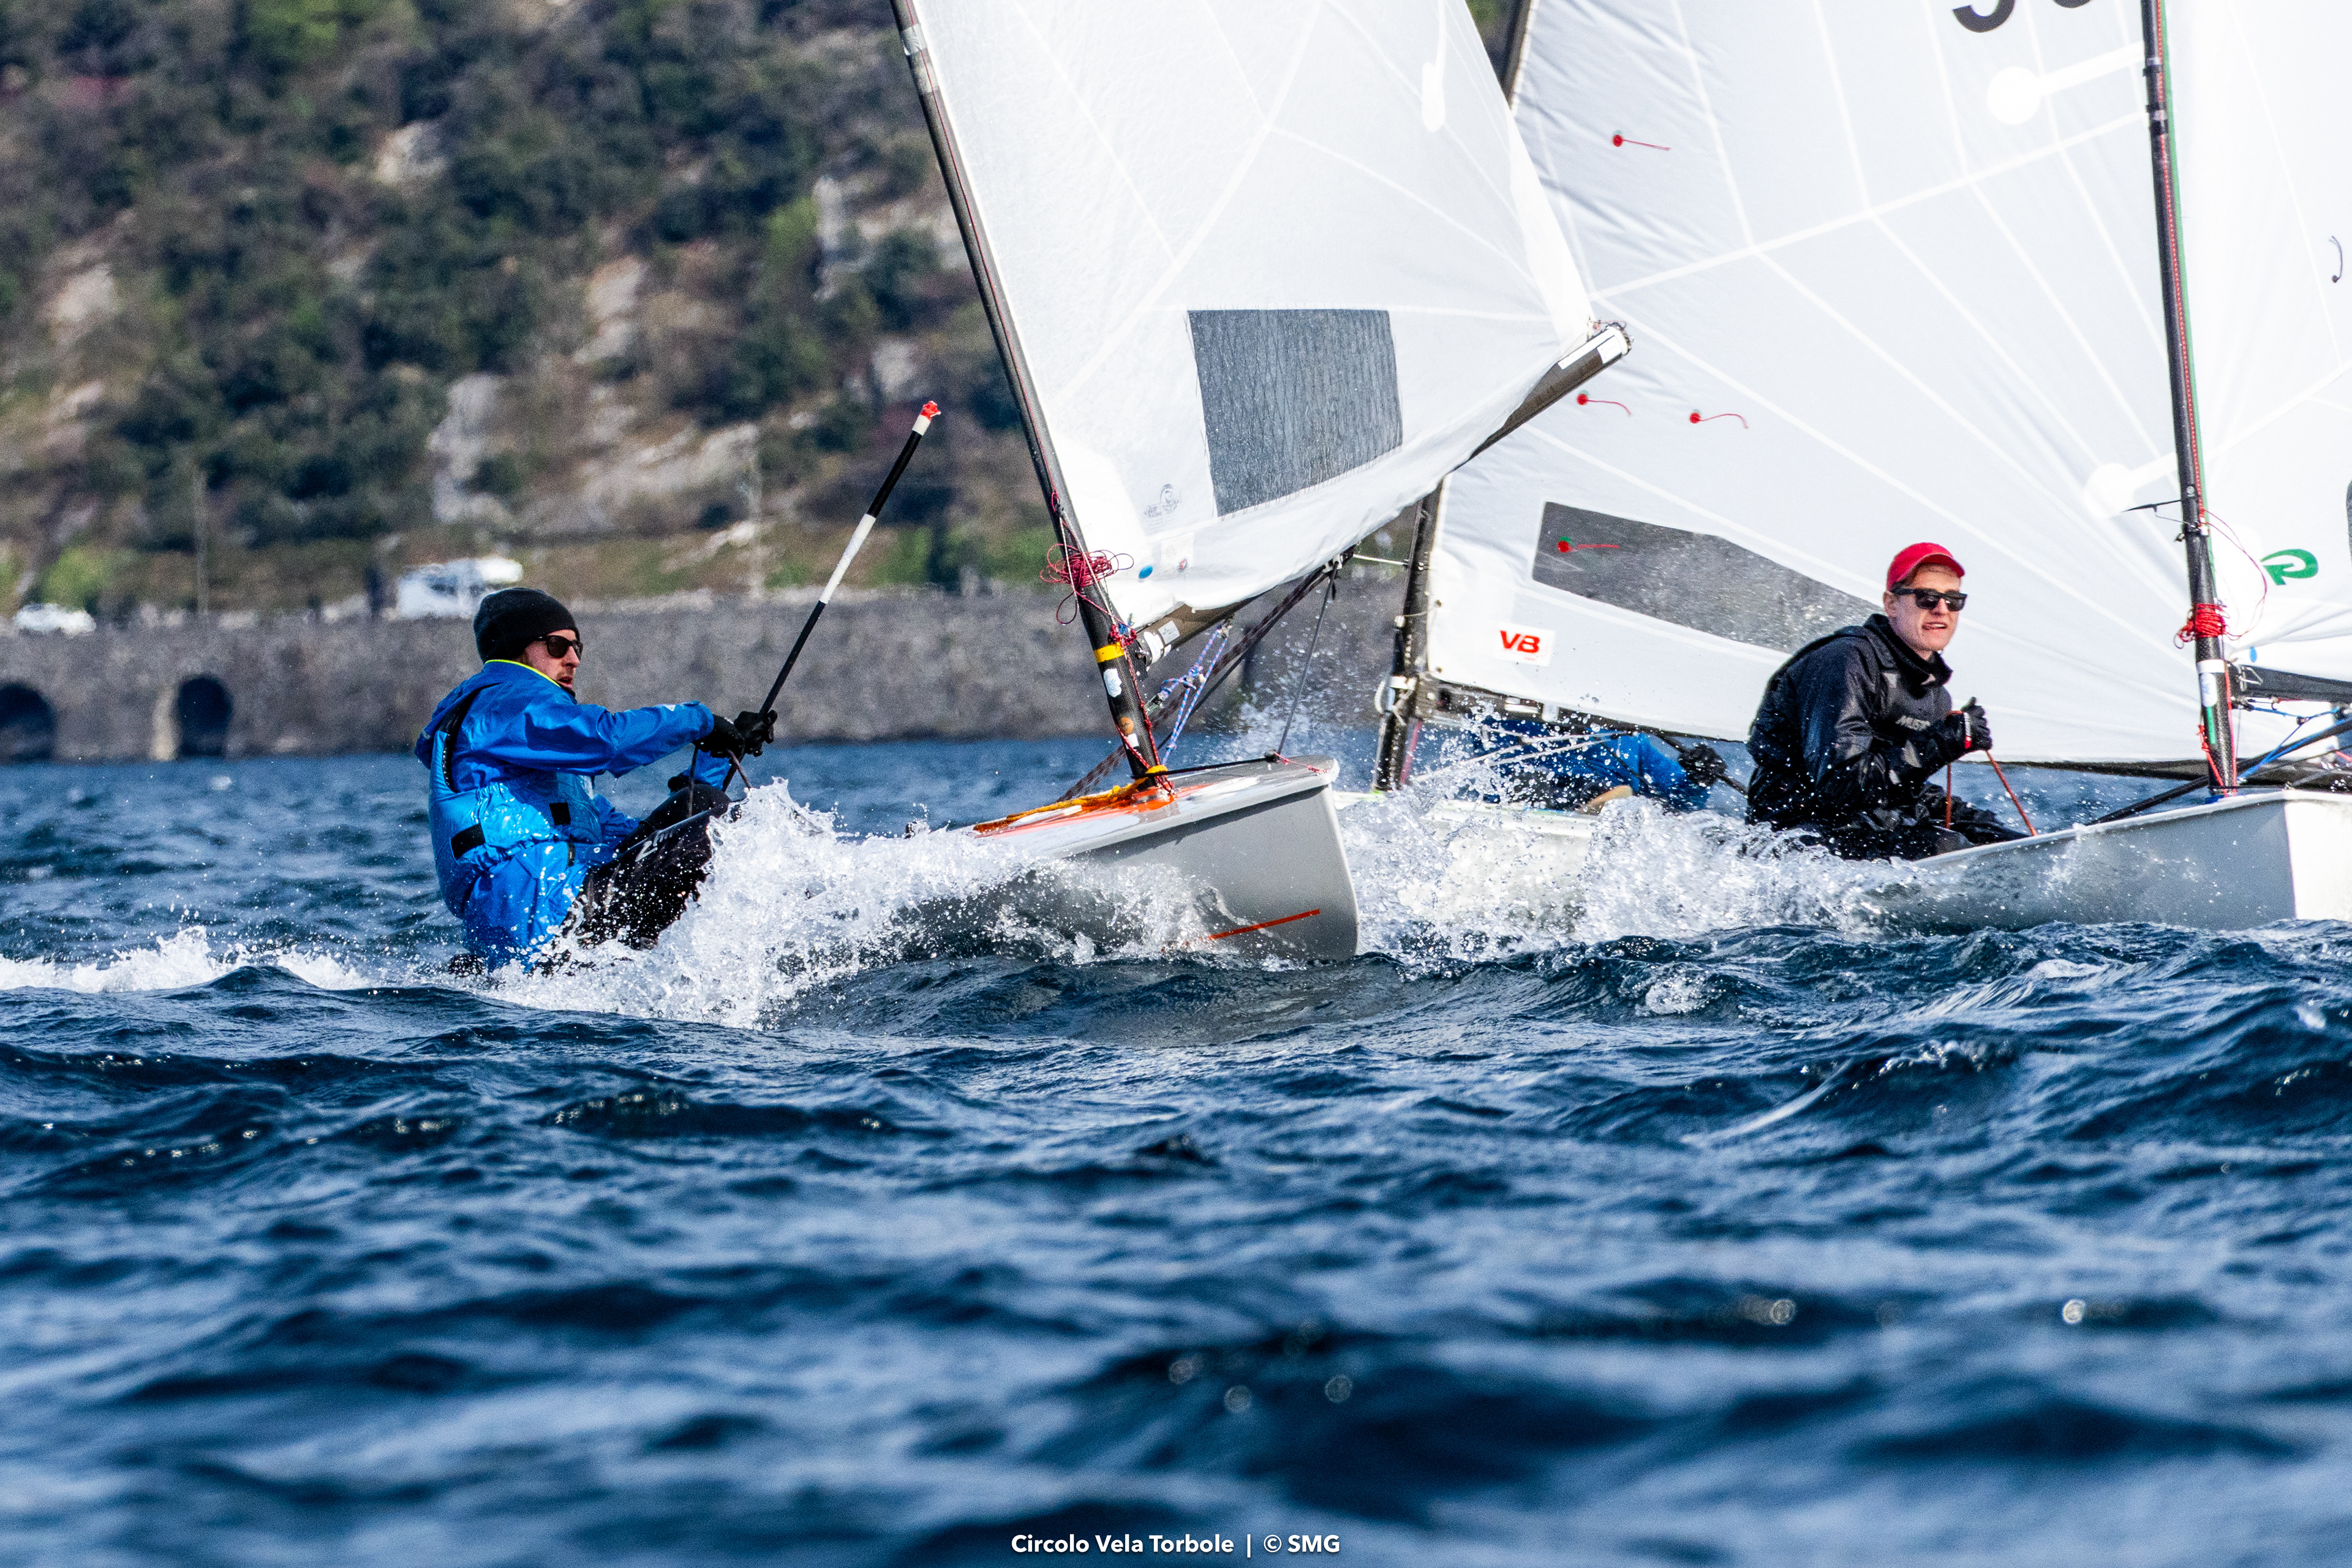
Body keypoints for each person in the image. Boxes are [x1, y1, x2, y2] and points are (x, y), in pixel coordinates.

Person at [417, 587, 774, 967]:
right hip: (537, 916)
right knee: (717, 822)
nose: (573, 660)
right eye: (558, 646)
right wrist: (701, 721)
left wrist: (721, 753)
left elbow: (633, 837)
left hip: (562, 905)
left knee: (706, 810)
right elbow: (606, 739)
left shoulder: (544, 767)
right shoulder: (501, 704)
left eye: (577, 648)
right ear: (517, 648)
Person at [1746, 542, 2023, 860]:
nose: (1941, 609)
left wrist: (1983, 827)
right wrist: (1941, 743)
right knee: (1945, 848)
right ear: (1891, 604)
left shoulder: (1933, 694)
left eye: (1954, 600)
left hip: (1864, 825)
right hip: (1795, 837)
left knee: (1989, 836)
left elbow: (1899, 787)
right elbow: (1840, 784)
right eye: (1927, 597)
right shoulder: (1846, 661)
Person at [1493, 718, 1728, 813]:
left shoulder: (1629, 737)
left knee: (1627, 798)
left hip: (1597, 815)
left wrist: (1700, 779)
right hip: (1523, 809)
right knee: (1531, 782)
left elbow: (1683, 800)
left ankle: (1593, 810)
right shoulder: (1503, 722)